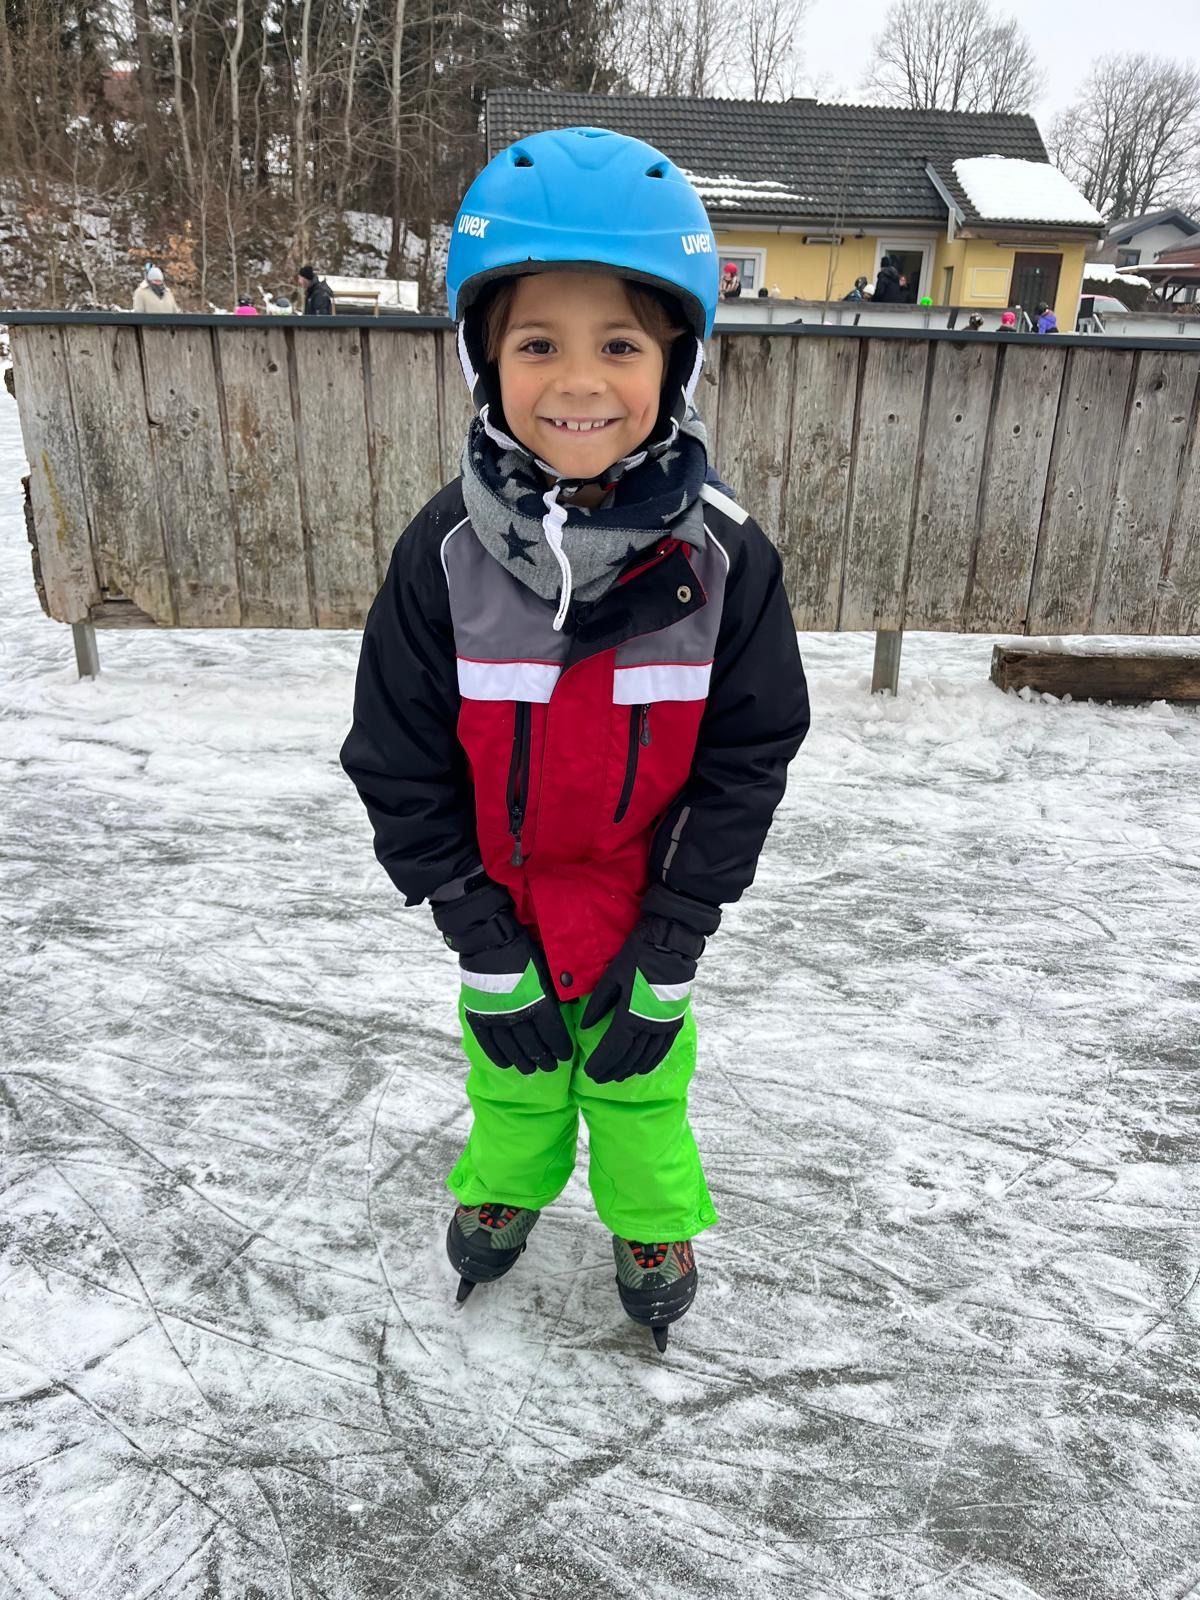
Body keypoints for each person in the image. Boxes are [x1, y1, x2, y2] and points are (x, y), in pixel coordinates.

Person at [339, 127, 810, 1352]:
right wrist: (477, 930)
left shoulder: (727, 560)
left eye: (621, 345)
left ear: (678, 360)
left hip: (642, 906)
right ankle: (503, 1185)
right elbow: (396, 757)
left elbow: (747, 760)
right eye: (538, 344)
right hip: (502, 902)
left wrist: (675, 935)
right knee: (512, 1074)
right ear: (484, 359)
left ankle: (653, 1221)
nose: (579, 381)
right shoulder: (443, 555)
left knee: (642, 1088)